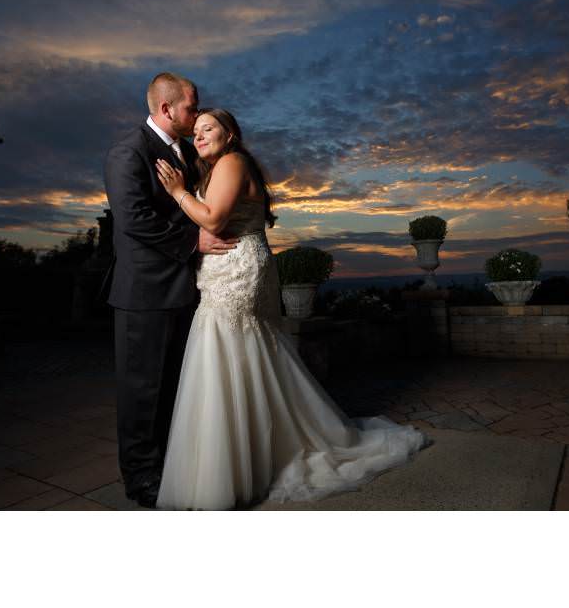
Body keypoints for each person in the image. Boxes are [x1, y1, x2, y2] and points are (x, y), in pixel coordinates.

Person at [153, 107, 427, 509]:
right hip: (228, 268)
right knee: (241, 351)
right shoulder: (218, 169)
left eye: (209, 128)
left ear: (231, 134)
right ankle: (248, 454)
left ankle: (243, 461)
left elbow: (212, 221)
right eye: (196, 131)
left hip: (236, 272)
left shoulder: (232, 162)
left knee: (231, 346)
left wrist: (178, 192)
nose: (200, 135)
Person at [103, 74, 237, 510]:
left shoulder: (186, 152)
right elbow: (134, 220)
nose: (197, 115)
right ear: (166, 109)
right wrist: (195, 242)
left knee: (173, 387)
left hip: (186, 288)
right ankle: (141, 479)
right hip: (145, 293)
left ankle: (171, 466)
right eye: (191, 108)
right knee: (142, 391)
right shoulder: (129, 152)